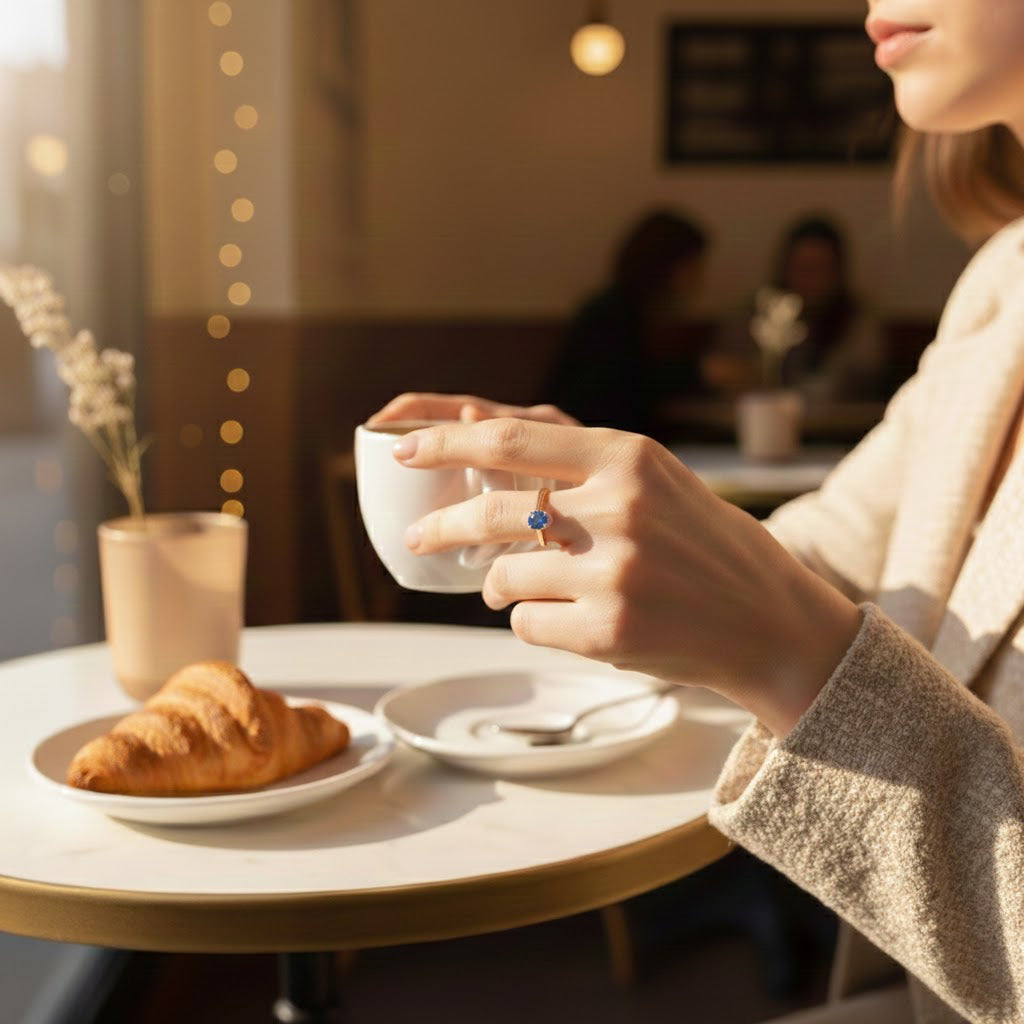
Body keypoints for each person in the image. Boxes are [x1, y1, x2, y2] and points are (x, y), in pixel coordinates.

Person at [368, 2, 1024, 1021]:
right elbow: (833, 552)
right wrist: (595, 501)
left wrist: (795, 650)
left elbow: (802, 608)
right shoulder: (999, 285)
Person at [546, 209, 708, 438]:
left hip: (601, 435)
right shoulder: (610, 313)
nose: (700, 277)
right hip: (583, 438)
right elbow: (625, 389)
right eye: (693, 266)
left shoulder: (635, 311)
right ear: (665, 265)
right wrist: (699, 372)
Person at [708, 215, 887, 404]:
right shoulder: (754, 314)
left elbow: (864, 373)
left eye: (821, 269)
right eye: (803, 268)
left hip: (836, 426)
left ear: (838, 272)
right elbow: (723, 368)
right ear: (785, 267)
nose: (811, 279)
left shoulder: (855, 317)